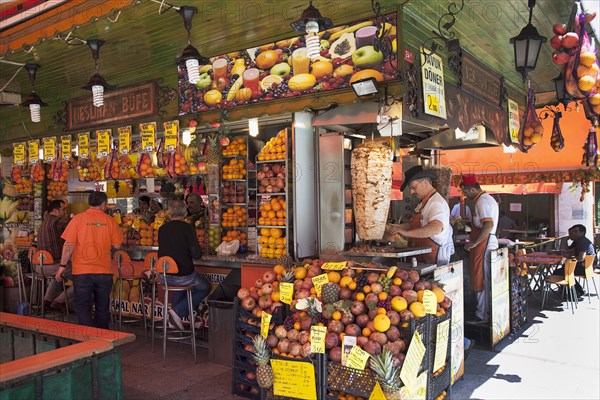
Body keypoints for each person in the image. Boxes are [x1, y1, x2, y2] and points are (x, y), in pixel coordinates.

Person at [58, 191, 124, 329]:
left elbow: (69, 245)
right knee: (102, 308)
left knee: (83, 307)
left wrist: (62, 266)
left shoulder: (78, 219)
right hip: (104, 271)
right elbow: (117, 245)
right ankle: (102, 341)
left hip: (82, 272)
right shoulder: (110, 221)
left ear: (89, 203)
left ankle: (87, 340)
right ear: (104, 204)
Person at [157, 200, 211, 330]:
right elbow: (196, 254)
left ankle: (174, 321)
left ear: (169, 213)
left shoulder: (162, 229)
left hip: (164, 276)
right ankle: (176, 312)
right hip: (183, 276)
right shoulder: (188, 228)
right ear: (185, 212)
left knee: (180, 285)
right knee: (205, 287)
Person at [386, 165, 454, 266]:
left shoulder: (436, 203)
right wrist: (394, 227)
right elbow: (414, 225)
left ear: (425, 183)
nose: (412, 191)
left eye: (413, 187)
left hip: (432, 259)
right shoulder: (423, 203)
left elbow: (435, 228)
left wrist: (406, 233)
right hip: (422, 256)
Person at [461, 174, 499, 322]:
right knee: (482, 277)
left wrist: (475, 243)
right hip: (487, 241)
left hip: (485, 244)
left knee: (481, 278)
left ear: (470, 189)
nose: (464, 194)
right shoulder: (486, 199)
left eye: (464, 191)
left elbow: (488, 224)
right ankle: (484, 312)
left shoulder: (482, 201)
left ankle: (482, 314)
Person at [36, 200, 73, 312]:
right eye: (63, 210)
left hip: (39, 267)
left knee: (58, 275)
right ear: (56, 211)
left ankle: (47, 300)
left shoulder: (44, 222)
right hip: (53, 266)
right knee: (84, 278)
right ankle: (59, 301)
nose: (64, 212)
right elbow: (73, 222)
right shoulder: (56, 220)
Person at [552, 224, 594, 297]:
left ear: (582, 232)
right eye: (571, 232)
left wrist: (570, 259)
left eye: (575, 231)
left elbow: (581, 258)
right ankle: (576, 290)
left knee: (559, 271)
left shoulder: (582, 242)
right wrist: (565, 241)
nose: (573, 233)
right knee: (564, 268)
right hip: (586, 267)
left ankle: (574, 291)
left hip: (585, 268)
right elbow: (568, 251)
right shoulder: (577, 241)